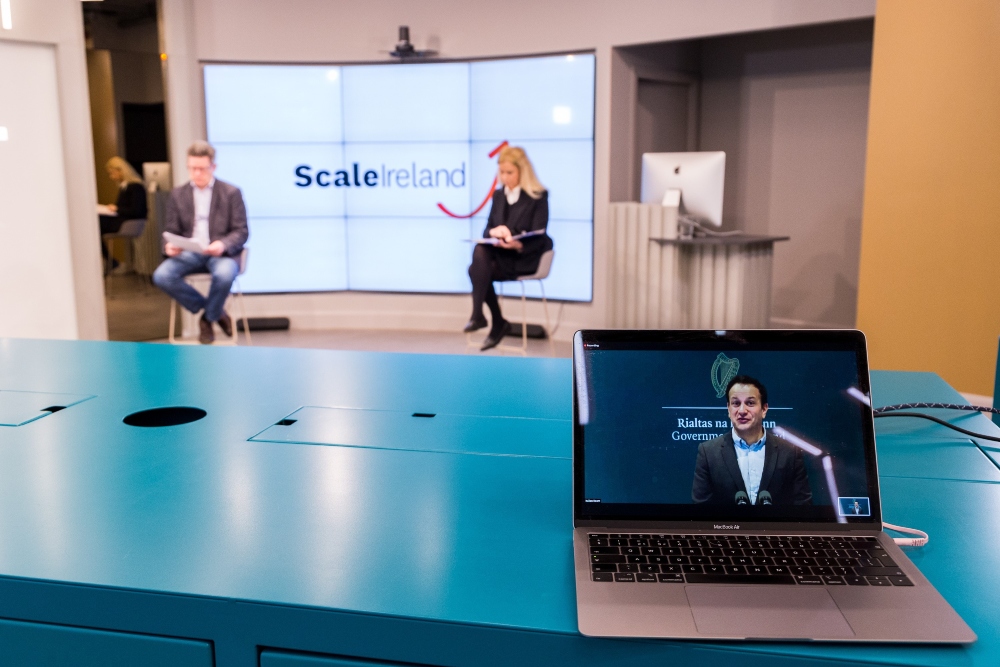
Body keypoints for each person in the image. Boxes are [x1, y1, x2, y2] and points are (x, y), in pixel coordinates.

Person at [152, 141, 249, 344]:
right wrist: (169, 245)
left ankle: (207, 319)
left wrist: (222, 245)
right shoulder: (178, 194)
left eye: (201, 169)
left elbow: (241, 231)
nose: (196, 173)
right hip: (190, 252)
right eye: (192, 168)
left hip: (220, 253)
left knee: (224, 274)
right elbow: (170, 230)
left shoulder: (231, 193)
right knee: (162, 276)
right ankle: (215, 311)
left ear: (213, 167)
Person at [465, 146, 553, 351]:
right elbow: (487, 229)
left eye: (509, 172)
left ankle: (488, 319)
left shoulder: (538, 196)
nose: (504, 177)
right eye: (501, 172)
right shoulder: (498, 196)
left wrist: (517, 243)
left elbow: (540, 235)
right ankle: (487, 318)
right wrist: (495, 233)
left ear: (522, 171)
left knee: (475, 269)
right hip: (500, 255)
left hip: (524, 257)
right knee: (480, 252)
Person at [691, 375, 812, 505]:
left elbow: (803, 508)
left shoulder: (790, 452)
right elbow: (701, 510)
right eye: (736, 403)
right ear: (728, 409)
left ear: (764, 409)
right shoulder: (708, 452)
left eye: (750, 403)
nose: (742, 411)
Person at [99, 156, 148, 270]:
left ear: (120, 171)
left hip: (128, 223)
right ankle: (110, 260)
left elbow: (136, 210)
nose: (112, 177)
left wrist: (117, 209)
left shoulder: (136, 187)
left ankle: (110, 261)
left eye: (112, 173)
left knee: (95, 225)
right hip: (123, 220)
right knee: (96, 224)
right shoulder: (124, 187)